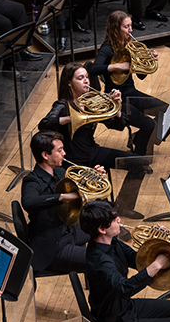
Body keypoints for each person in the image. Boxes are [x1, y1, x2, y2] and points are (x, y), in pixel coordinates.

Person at [38, 63, 145, 220]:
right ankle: (108, 218)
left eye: (87, 77)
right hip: (75, 162)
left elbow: (119, 126)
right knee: (101, 198)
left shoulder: (93, 101)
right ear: (69, 82)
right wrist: (72, 119)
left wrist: (117, 108)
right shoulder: (62, 105)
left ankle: (124, 207)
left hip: (93, 152)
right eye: (80, 78)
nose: (86, 81)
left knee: (138, 165)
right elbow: (44, 124)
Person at [89, 11, 166, 156]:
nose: (130, 30)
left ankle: (137, 138)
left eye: (130, 26)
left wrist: (148, 61)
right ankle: (138, 159)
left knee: (165, 110)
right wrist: (116, 66)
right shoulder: (107, 49)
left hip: (131, 93)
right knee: (148, 125)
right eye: (126, 27)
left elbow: (141, 76)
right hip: (117, 99)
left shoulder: (130, 46)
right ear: (115, 29)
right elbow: (93, 68)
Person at [21, 131, 100, 274]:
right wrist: (61, 197)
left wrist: (95, 176)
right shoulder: (32, 181)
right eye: (59, 150)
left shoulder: (59, 172)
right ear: (45, 155)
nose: (64, 153)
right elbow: (28, 202)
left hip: (72, 230)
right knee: (101, 261)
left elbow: (80, 190)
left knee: (107, 228)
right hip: (54, 246)